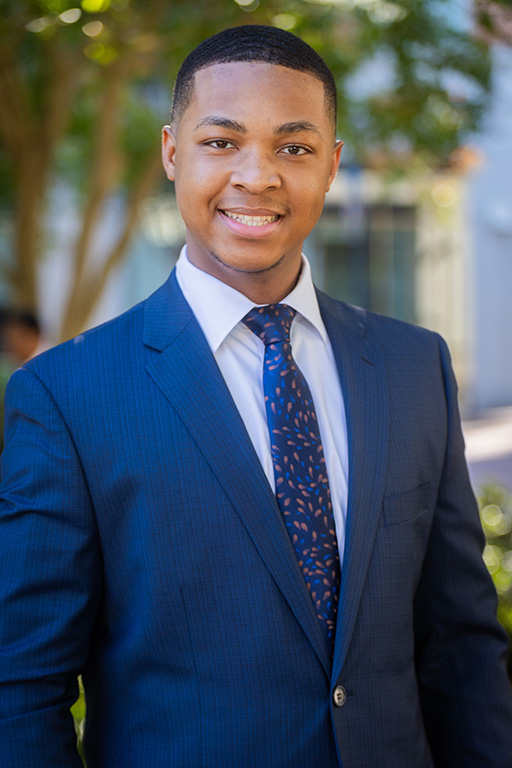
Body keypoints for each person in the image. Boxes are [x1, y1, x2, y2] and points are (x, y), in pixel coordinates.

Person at [0, 24, 511, 768]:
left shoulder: (412, 367)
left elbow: (461, 645)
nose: (258, 175)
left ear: (333, 165)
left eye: (294, 148)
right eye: (221, 142)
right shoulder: (67, 393)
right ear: (173, 152)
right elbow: (22, 687)